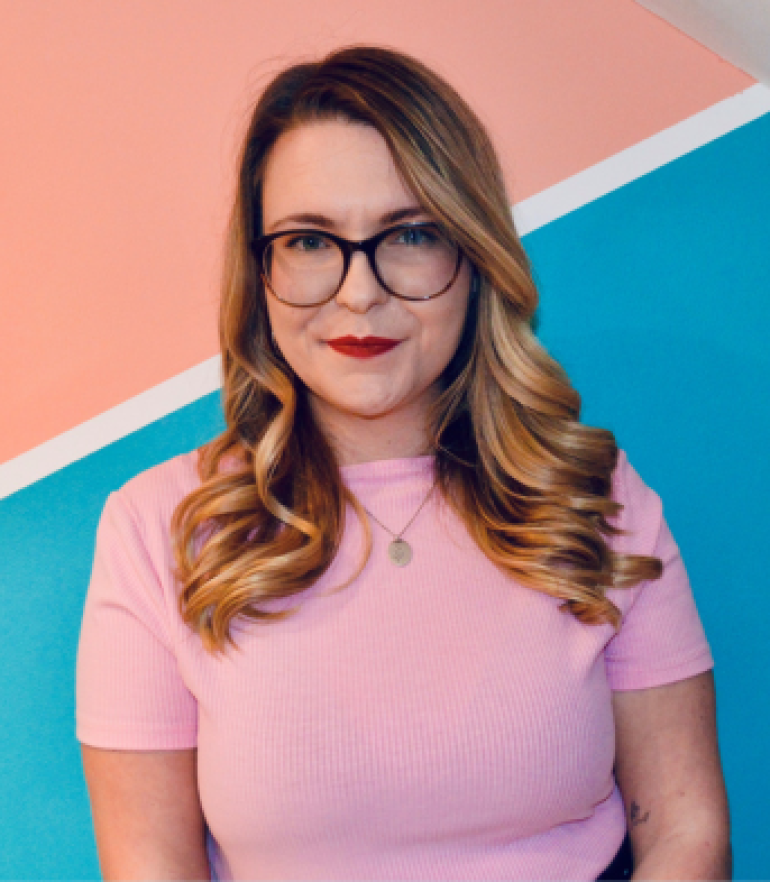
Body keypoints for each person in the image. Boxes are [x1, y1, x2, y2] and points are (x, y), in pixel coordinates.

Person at [76, 46, 731, 880]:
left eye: (411, 234)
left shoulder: (592, 499)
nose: (360, 293)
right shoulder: (157, 528)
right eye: (311, 239)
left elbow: (688, 833)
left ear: (473, 258)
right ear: (261, 268)